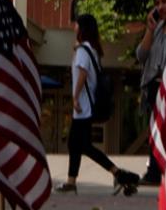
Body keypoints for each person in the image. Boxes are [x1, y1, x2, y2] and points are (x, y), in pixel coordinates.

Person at [56, 14, 139, 193]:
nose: (74, 26)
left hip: (83, 107)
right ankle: (75, 181)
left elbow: (82, 74)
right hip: (86, 107)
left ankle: (117, 173)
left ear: (82, 28)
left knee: (79, 144)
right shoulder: (90, 50)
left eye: (76, 23)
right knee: (77, 144)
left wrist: (75, 97)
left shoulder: (83, 51)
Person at [136, 0, 166, 185]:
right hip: (154, 86)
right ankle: (153, 172)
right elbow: (141, 55)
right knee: (154, 130)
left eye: (165, 2)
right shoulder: (157, 29)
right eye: (158, 3)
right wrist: (149, 30)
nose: (161, 7)